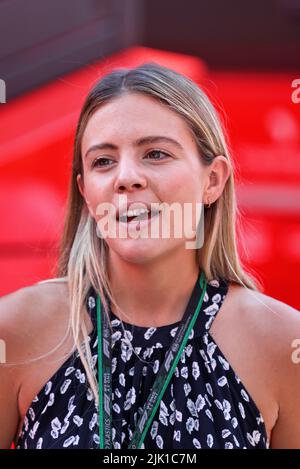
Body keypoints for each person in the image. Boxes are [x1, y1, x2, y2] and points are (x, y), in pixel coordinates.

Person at [0, 62, 299, 450]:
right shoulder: (17, 330)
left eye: (156, 153)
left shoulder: (282, 342)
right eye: (103, 161)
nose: (126, 177)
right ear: (86, 192)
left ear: (213, 180)